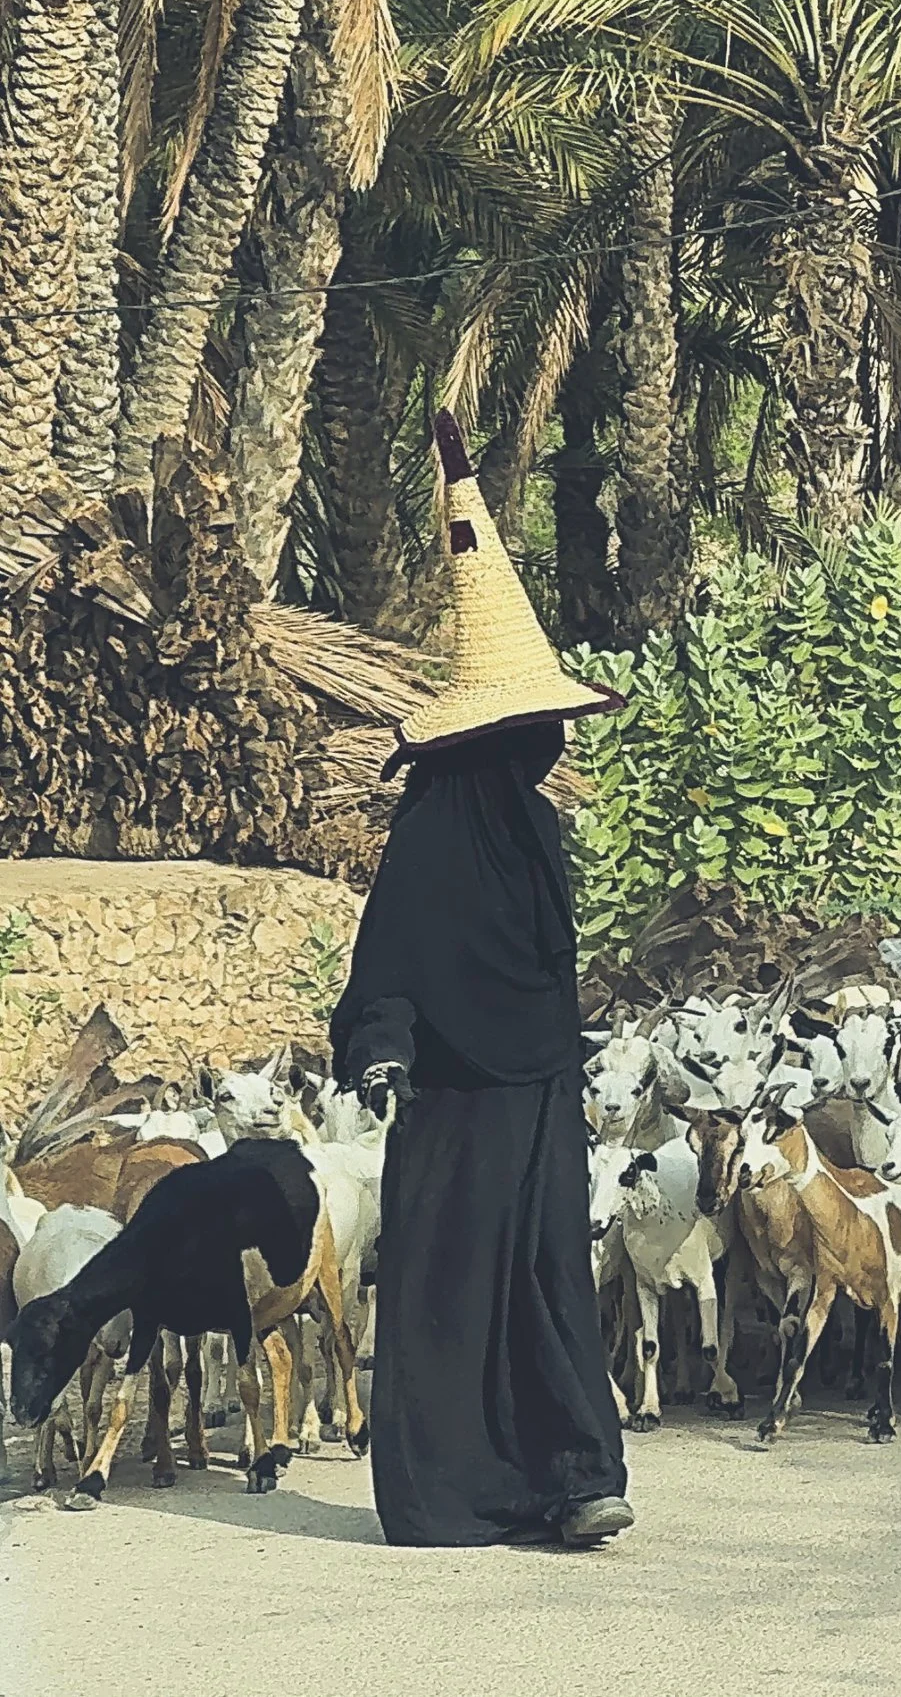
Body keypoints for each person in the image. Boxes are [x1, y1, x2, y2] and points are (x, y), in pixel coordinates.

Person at [331, 411, 632, 1547]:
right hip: (455, 1104)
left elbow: (550, 970)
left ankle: (574, 1477)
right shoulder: (429, 845)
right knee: (452, 1287)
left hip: (543, 1096)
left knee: (552, 1277)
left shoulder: (538, 838)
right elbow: (389, 968)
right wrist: (383, 1047)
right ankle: (457, 1490)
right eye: (528, 735)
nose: (540, 754)